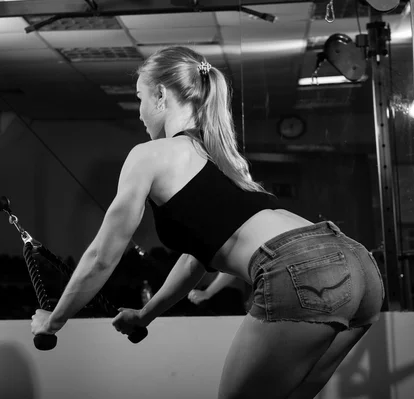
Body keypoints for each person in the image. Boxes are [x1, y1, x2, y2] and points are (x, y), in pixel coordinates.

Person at [31, 46, 385, 399]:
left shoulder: (150, 155)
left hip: (302, 267)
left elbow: (101, 256)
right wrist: (144, 315)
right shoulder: (224, 160)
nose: (139, 112)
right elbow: (195, 258)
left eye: (139, 97)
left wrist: (54, 320)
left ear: (159, 95)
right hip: (358, 265)